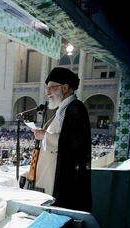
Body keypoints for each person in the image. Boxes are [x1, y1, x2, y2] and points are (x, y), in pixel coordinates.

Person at [32, 67, 92, 212]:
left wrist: (44, 136)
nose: (47, 93)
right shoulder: (63, 109)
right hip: (53, 171)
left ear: (65, 88)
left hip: (65, 177)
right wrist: (45, 133)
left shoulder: (75, 108)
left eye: (51, 88)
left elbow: (73, 143)